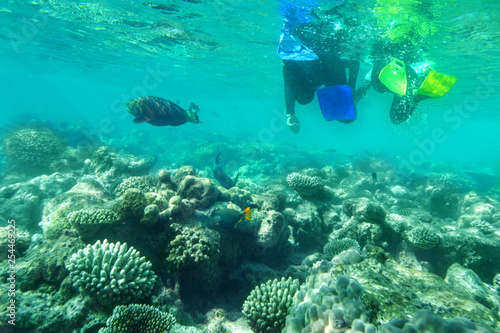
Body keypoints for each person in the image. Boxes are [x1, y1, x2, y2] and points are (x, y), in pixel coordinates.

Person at [277, 1, 368, 133]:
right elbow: (354, 58)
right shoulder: (327, 83)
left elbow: (354, 58)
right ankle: (289, 55)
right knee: (305, 98)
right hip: (322, 58)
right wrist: (290, 114)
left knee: (305, 98)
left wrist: (290, 114)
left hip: (321, 58)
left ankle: (290, 54)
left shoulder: (332, 82)